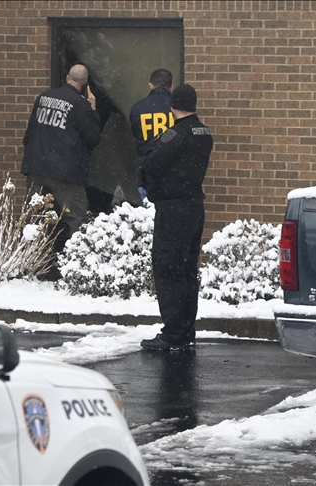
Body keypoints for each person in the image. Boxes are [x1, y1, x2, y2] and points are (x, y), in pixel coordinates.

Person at [138, 84, 213, 351]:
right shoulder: (204, 132)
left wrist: (148, 180)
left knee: (168, 269)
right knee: (187, 270)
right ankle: (186, 329)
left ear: (173, 105)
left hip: (173, 210)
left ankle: (172, 333)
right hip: (194, 207)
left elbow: (151, 163)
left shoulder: (175, 135)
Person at [21, 64, 102, 279]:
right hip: (66, 174)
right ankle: (77, 271)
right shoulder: (80, 105)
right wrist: (93, 110)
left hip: (37, 169)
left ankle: (30, 266)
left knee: (34, 220)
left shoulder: (43, 98)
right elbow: (94, 138)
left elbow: (28, 135)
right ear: (85, 84)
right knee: (76, 220)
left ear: (67, 78)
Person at [130, 69, 174, 200]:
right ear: (171, 86)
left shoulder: (138, 108)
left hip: (146, 170)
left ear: (151, 85)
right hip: (172, 170)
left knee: (147, 209)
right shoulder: (177, 108)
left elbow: (136, 133)